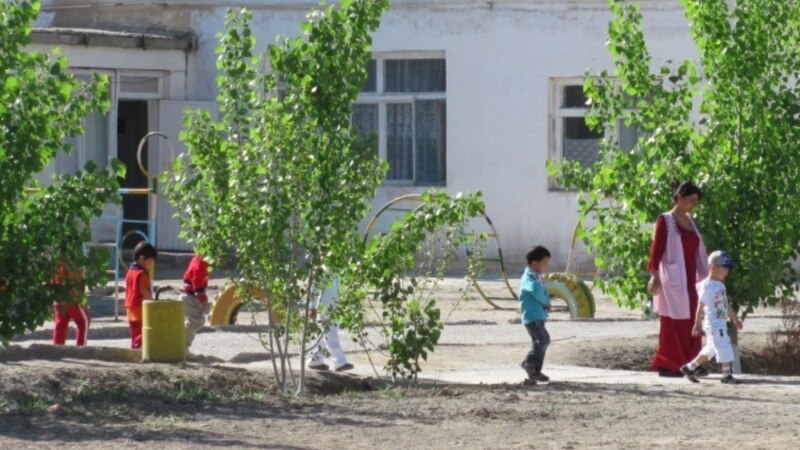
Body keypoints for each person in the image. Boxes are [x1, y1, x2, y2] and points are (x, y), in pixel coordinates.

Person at [647, 181, 709, 377]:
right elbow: (656, 251)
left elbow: (698, 250)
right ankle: (669, 365)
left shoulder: (691, 222)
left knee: (693, 318)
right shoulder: (665, 220)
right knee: (674, 322)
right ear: (679, 197)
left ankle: (692, 364)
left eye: (695, 202)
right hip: (672, 280)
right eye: (690, 200)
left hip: (692, 279)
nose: (692, 205)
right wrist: (654, 276)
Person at [681, 251, 743, 384]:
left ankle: (689, 367)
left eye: (727, 269)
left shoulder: (721, 286)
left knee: (711, 349)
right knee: (724, 346)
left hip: (720, 323)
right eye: (724, 268)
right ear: (713, 267)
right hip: (714, 324)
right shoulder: (707, 286)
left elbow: (726, 305)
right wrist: (697, 323)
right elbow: (700, 306)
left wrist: (735, 319)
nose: (726, 272)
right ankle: (726, 375)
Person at [519, 246, 552, 384]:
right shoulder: (530, 277)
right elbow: (535, 290)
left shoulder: (536, 276)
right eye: (545, 263)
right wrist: (545, 302)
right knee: (543, 340)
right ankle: (529, 364)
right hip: (532, 318)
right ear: (534, 263)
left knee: (540, 342)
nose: (546, 266)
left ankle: (535, 371)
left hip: (537, 317)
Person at [307, 277, 354, 372]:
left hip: (335, 306)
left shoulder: (338, 268)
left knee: (322, 333)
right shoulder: (324, 267)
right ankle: (340, 362)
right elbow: (315, 287)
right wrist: (312, 306)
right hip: (324, 306)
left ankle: (315, 359)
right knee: (330, 333)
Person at [124, 241, 157, 349]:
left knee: (134, 333)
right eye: (151, 260)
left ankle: (134, 349)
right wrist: (153, 303)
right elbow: (145, 292)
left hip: (130, 308)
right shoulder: (141, 274)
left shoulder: (130, 271)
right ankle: (138, 352)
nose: (152, 264)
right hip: (140, 308)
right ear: (142, 258)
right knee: (142, 334)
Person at [51, 259, 89, 346]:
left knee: (60, 325)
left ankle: (57, 349)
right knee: (83, 322)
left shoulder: (54, 263)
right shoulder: (72, 262)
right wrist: (82, 301)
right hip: (72, 299)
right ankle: (81, 349)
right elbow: (74, 283)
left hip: (58, 299)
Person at [180, 254, 210, 349]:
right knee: (196, 320)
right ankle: (181, 345)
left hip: (189, 296)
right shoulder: (198, 267)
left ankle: (182, 345)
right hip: (189, 297)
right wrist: (204, 301)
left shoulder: (201, 262)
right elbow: (198, 286)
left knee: (195, 320)